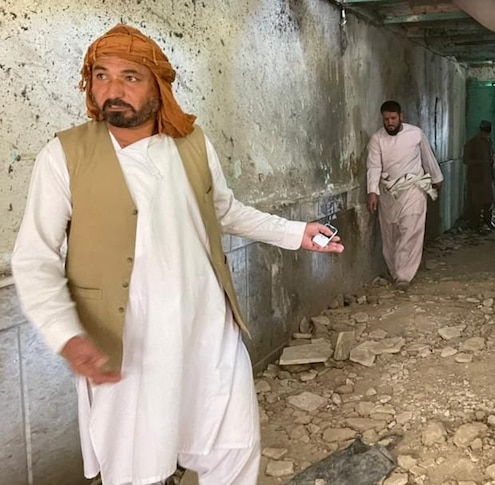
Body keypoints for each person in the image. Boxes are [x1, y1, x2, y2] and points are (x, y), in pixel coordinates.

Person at [10, 24, 344, 485]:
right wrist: (66, 334)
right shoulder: (65, 155)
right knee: (136, 465)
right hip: (128, 343)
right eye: (101, 76)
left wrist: (295, 232)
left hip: (208, 331)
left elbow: (224, 210)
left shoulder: (192, 143)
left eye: (130, 77)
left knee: (233, 450)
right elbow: (34, 258)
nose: (113, 90)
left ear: (158, 85)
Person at [366, 100, 443, 291]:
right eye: (386, 119)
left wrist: (436, 177)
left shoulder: (415, 134)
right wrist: (372, 192)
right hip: (389, 193)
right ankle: (395, 271)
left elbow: (427, 156)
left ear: (402, 116)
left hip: (413, 188)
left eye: (393, 118)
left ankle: (404, 276)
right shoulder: (377, 140)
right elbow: (374, 166)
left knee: (410, 230)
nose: (390, 122)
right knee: (391, 234)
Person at [463, 120, 495, 232]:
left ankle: (487, 221)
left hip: (486, 176)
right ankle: (475, 223)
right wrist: (480, 162)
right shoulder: (472, 143)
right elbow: (466, 160)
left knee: (489, 200)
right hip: (476, 177)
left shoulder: (489, 142)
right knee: (476, 202)